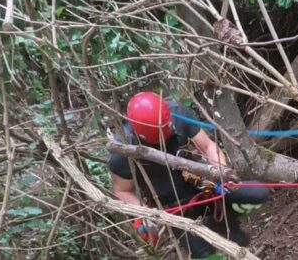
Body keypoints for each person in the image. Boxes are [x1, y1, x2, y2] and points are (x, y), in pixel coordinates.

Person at [109, 92, 269, 258]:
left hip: (205, 186)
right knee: (205, 255)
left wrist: (222, 172)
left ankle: (222, 220)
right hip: (174, 209)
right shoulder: (122, 151)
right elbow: (122, 190)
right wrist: (146, 214)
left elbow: (207, 146)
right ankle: (216, 227)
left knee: (258, 193)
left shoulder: (178, 114)